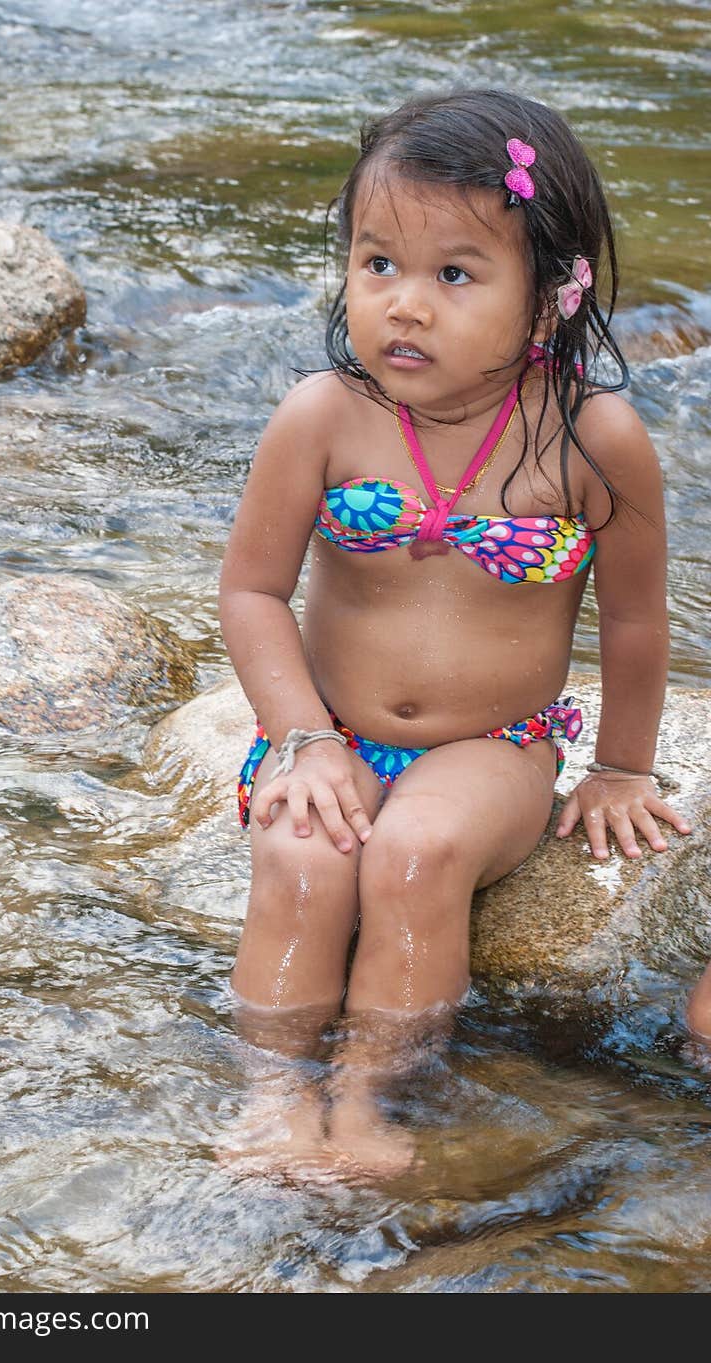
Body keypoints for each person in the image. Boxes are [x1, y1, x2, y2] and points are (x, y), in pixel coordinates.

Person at [217, 88, 693, 1178]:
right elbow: (250, 593)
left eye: (454, 274)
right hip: (331, 726)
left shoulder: (590, 437)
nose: (403, 305)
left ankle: (371, 1096)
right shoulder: (323, 417)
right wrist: (301, 736)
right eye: (376, 263)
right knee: (300, 853)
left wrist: (619, 764)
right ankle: (274, 1095)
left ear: (547, 303)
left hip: (496, 745)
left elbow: (630, 615)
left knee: (414, 853)